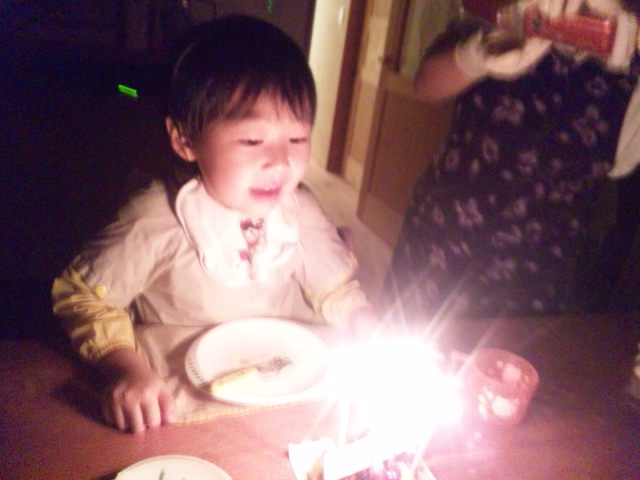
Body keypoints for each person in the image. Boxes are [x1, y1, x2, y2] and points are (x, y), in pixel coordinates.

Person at [52, 15, 376, 433]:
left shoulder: (300, 210)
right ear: (185, 140)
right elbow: (84, 298)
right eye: (252, 140)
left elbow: (334, 288)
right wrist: (125, 369)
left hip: (287, 392)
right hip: (180, 401)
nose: (281, 162)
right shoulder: (156, 217)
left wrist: (365, 321)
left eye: (297, 139)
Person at [383, 0, 640, 326]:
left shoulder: (631, 63)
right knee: (398, 342)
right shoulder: (510, 9)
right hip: (436, 241)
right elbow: (425, 85)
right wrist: (479, 54)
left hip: (532, 281)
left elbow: (620, 165)